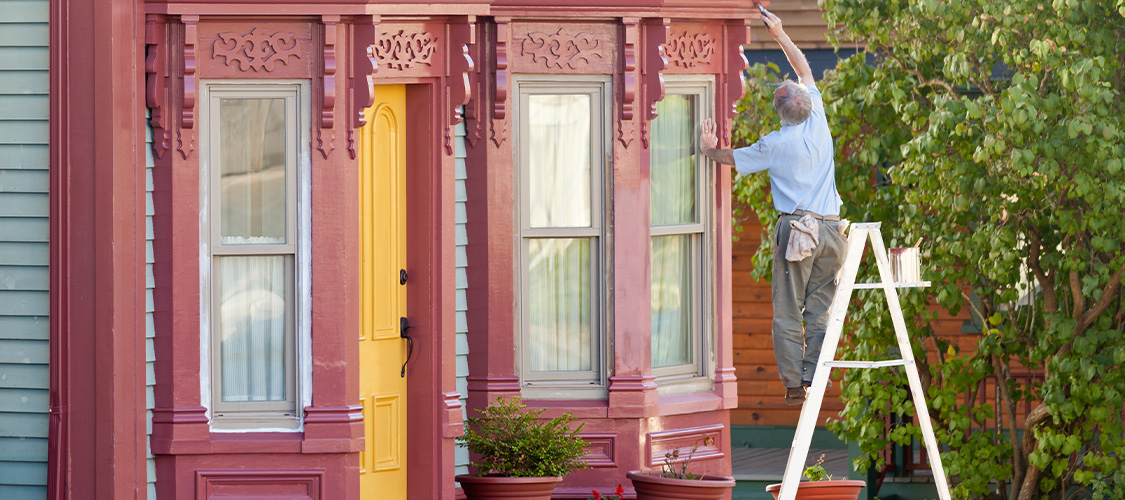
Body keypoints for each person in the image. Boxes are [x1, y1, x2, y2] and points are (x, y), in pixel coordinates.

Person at [699, 7, 845, 406]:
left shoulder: (775, 144)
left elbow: (733, 158)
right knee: (819, 308)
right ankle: (816, 374)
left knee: (787, 311)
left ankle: (794, 387)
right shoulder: (819, 121)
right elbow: (804, 70)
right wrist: (779, 32)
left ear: (780, 111)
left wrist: (710, 150)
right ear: (806, 105)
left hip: (798, 232)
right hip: (832, 231)